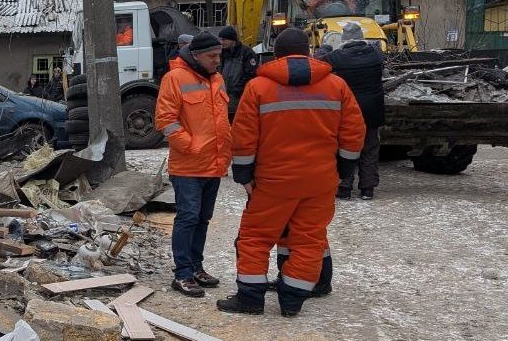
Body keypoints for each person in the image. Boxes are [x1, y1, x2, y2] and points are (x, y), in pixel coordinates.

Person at [218, 28, 366, 317]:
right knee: (309, 239)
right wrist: (343, 169)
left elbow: (244, 137)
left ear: (275, 53)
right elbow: (354, 133)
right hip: (320, 180)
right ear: (309, 51)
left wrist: (244, 176)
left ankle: (250, 298)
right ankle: (292, 299)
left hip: (274, 181)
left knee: (255, 237)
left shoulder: (259, 88)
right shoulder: (336, 86)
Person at [154, 31, 232, 298]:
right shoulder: (174, 78)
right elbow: (165, 121)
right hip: (188, 166)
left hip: (214, 163)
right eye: (212, 56)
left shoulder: (217, 80)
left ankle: (196, 267)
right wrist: (192, 146)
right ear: (196, 55)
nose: (217, 61)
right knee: (188, 217)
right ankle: (183, 273)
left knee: (202, 218)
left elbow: (221, 120)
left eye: (219, 55)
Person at [324, 21, 385, 200]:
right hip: (373, 110)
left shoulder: (338, 57)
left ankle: (344, 187)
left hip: (349, 111)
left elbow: (318, 63)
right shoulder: (375, 55)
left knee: (345, 147)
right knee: (370, 148)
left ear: (344, 39)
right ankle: (368, 189)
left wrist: (326, 47)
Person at [217, 25, 259, 120]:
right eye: (220, 39)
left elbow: (251, 74)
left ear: (232, 39)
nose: (221, 42)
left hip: (239, 97)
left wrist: (237, 90)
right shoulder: (221, 53)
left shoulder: (246, 53)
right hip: (223, 97)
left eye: (224, 39)